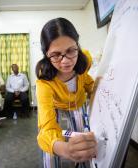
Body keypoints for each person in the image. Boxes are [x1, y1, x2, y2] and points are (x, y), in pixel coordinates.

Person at [35, 18, 97, 167]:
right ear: (46, 55)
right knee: (50, 153)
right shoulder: (44, 82)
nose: (65, 61)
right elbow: (46, 126)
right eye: (56, 55)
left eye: (71, 50)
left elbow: (87, 81)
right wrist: (65, 149)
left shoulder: (85, 60)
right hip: (55, 105)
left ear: (77, 45)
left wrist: (96, 96)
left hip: (78, 102)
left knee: (83, 140)